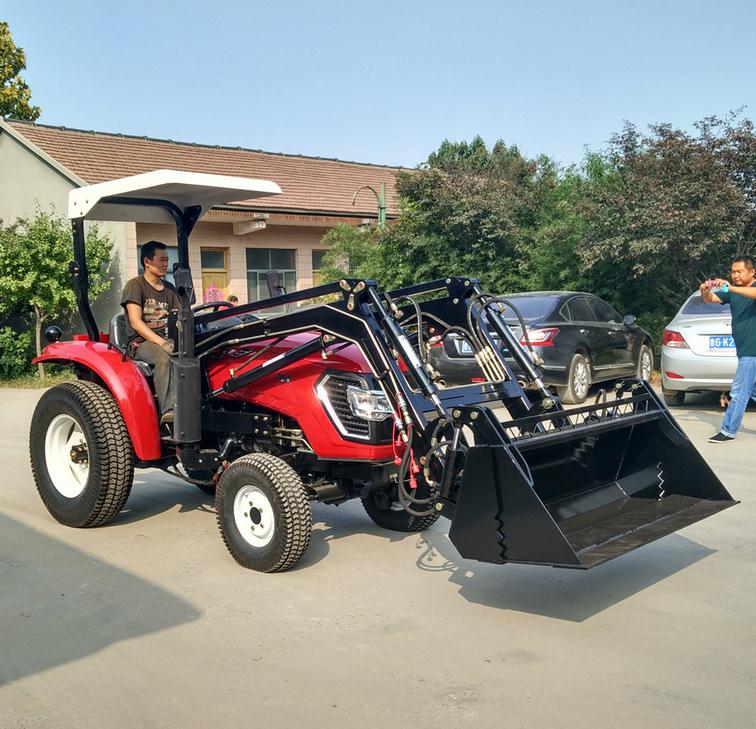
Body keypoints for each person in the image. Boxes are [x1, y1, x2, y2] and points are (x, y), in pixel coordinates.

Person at [121, 240, 180, 425]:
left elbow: (179, 317)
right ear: (147, 261)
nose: (165, 264)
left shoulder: (170, 288)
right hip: (141, 342)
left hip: (168, 339)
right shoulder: (135, 285)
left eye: (167, 260)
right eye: (161, 259)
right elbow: (136, 322)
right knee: (163, 357)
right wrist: (161, 343)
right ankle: (169, 411)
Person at [700, 255, 756, 442]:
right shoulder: (733, 292)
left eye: (739, 271)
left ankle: (728, 431)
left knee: (739, 391)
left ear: (752, 272)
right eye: (733, 272)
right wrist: (704, 291)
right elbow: (711, 299)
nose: (735, 275)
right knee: (752, 391)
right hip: (744, 350)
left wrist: (730, 287)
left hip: (752, 350)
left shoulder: (748, 289)